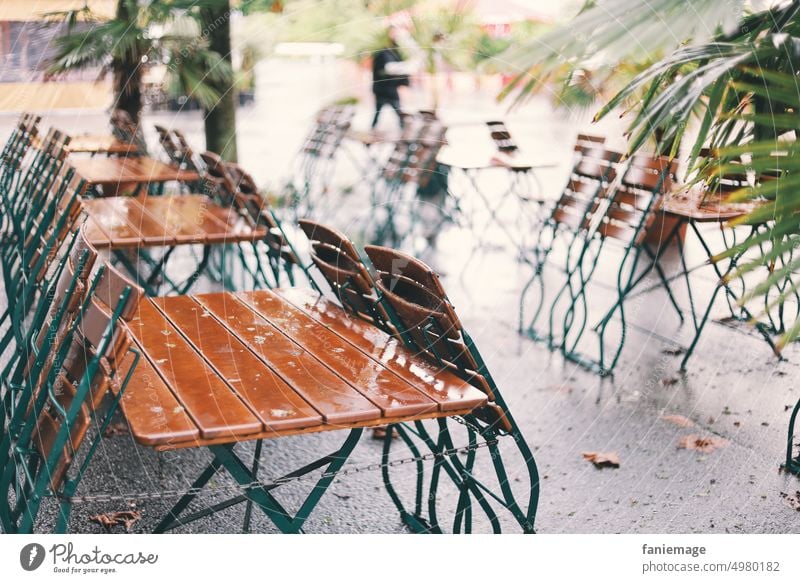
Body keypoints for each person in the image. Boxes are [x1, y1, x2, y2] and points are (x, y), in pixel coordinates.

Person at [371, 28, 408, 129]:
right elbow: (389, 69)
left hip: (387, 89)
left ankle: (403, 130)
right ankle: (403, 130)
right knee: (382, 113)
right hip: (385, 90)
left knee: (396, 113)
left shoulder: (392, 54)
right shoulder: (384, 54)